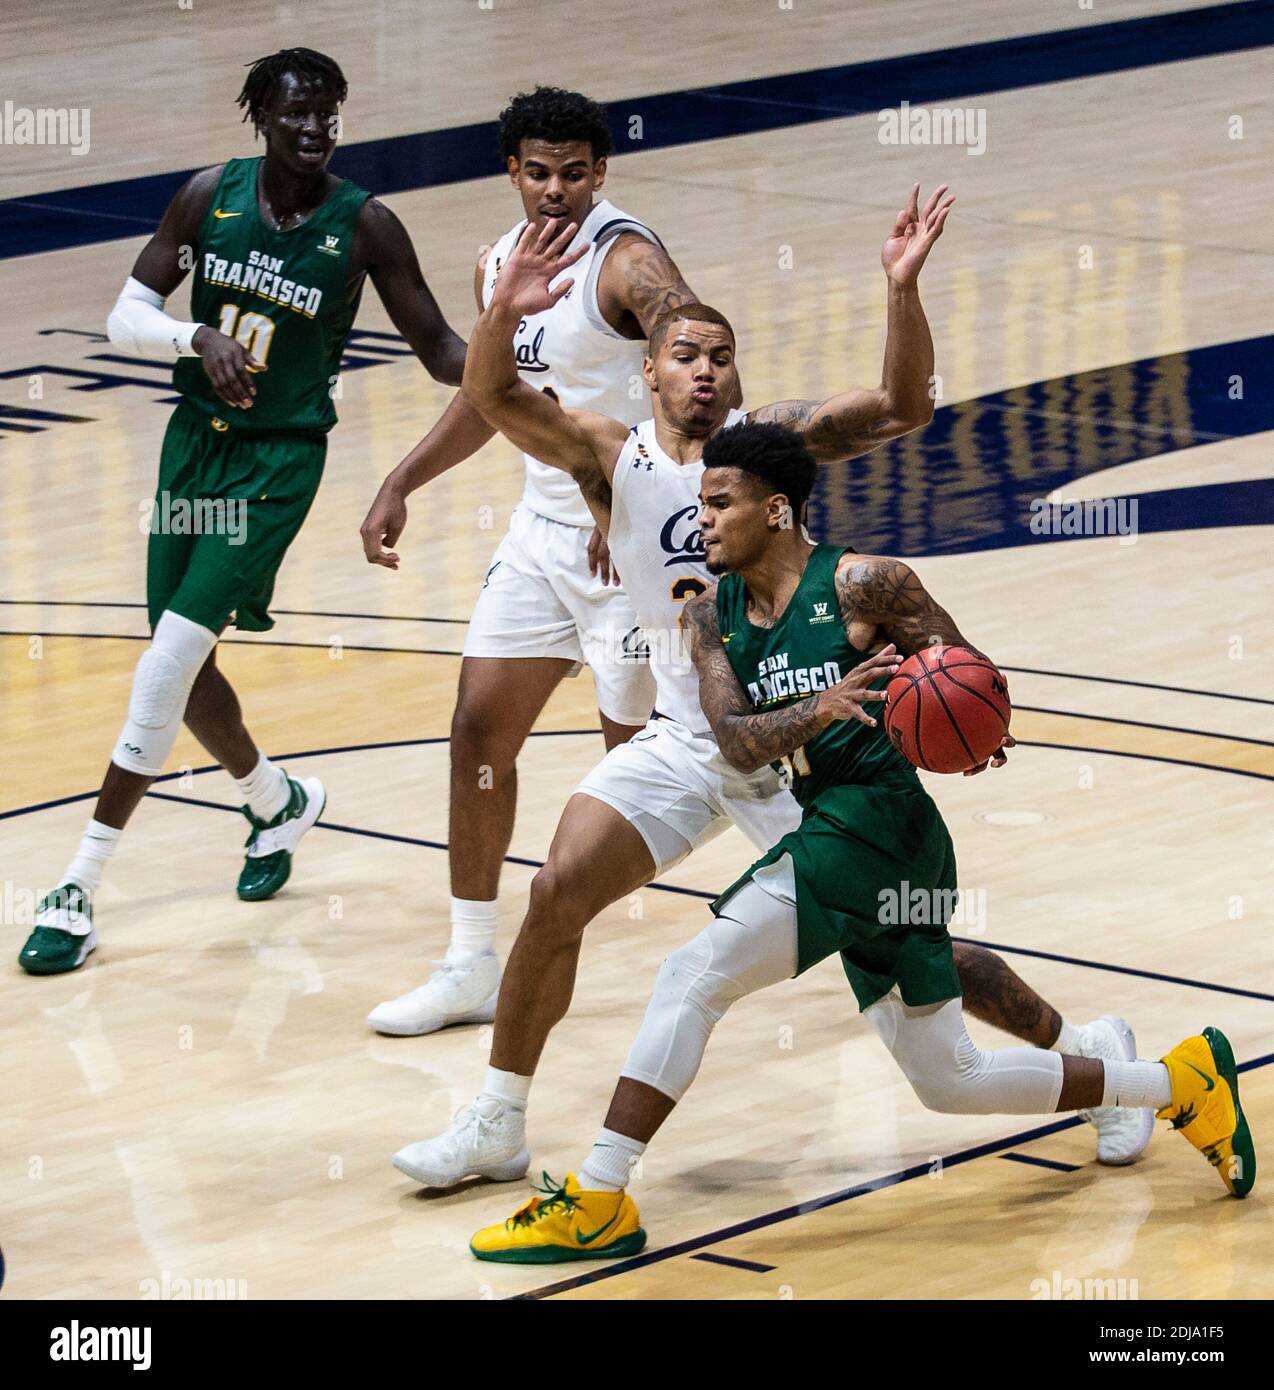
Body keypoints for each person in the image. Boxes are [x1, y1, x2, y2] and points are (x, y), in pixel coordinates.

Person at [392, 188, 1151, 1191]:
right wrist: (503, 313)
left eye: (720, 355)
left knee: (921, 963)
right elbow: (495, 399)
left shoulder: (771, 446)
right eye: (683, 356)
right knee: (556, 889)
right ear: (647, 371)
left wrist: (899, 288)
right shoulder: (606, 455)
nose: (704, 371)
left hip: (801, 755)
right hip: (686, 735)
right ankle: (497, 1117)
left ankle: (1090, 1058)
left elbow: (902, 407)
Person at [467, 421, 1255, 1261]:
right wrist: (821, 704)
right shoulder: (707, 616)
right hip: (839, 826)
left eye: (719, 503)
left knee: (692, 977)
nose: (702, 520)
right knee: (949, 1081)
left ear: (775, 510)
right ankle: (1180, 1083)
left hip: (879, 820)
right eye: (699, 504)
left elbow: (967, 669)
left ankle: (600, 1195)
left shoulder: (865, 584)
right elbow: (734, 740)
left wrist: (964, 723)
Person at [21, 48, 469, 975]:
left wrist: (536, 348)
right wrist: (196, 335)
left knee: (166, 663)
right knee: (178, 666)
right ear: (260, 116)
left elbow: (437, 349)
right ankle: (274, 800)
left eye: (329, 115)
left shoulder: (367, 225)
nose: (314, 130)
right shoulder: (206, 199)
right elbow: (125, 318)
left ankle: (78, 885)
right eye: (296, 114)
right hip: (192, 448)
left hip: (278, 464)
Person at [362, 87, 725, 1038]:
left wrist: (640, 494)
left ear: (601, 173)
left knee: (643, 775)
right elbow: (496, 398)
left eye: (574, 173)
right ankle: (469, 960)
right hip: (539, 537)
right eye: (538, 172)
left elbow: (698, 372)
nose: (555, 191)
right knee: (479, 733)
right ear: (511, 171)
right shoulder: (500, 262)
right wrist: (404, 478)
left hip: (631, 558)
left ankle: (771, 889)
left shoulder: (630, 262)